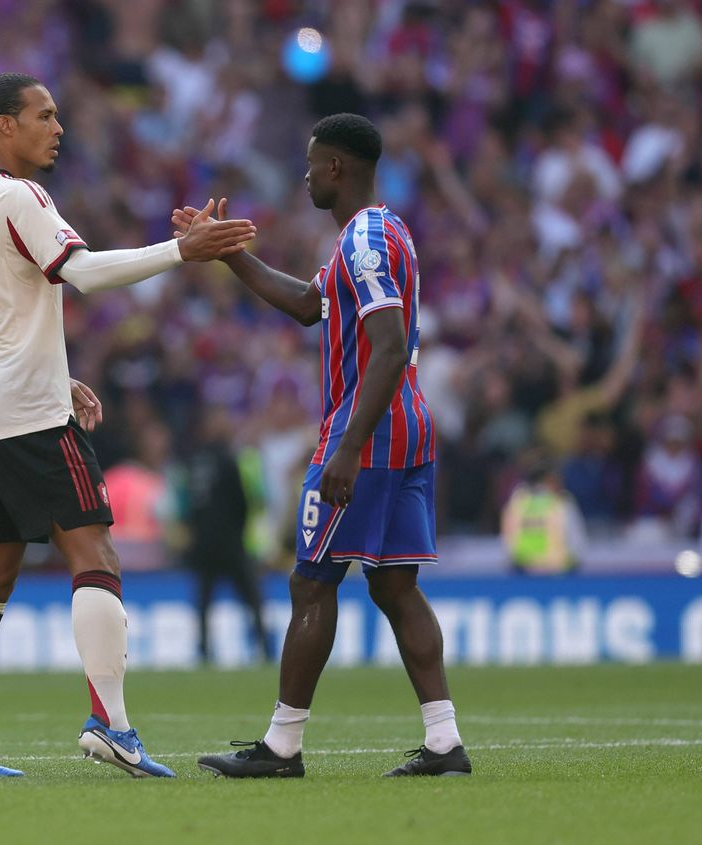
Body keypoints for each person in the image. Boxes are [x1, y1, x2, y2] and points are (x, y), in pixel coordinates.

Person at [0, 72, 255, 779]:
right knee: (96, 553)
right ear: (6, 126)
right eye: (44, 115)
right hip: (32, 417)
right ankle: (111, 723)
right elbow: (84, 272)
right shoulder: (21, 194)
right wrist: (179, 252)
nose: (58, 127)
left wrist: (53, 367)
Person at [180, 114, 472, 778]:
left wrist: (349, 447)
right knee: (397, 586)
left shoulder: (365, 241)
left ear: (336, 166)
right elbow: (312, 305)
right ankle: (445, 740)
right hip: (409, 426)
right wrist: (231, 255)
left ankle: (282, 746)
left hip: (367, 432)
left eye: (312, 164)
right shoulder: (379, 231)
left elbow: (391, 346)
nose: (305, 174)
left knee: (311, 583)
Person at [182, 405, 270, 664]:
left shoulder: (194, 462)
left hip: (204, 543)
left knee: (204, 601)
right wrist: (238, 533)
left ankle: (204, 651)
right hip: (230, 541)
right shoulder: (230, 460)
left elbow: (187, 505)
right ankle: (264, 648)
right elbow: (242, 502)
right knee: (251, 597)